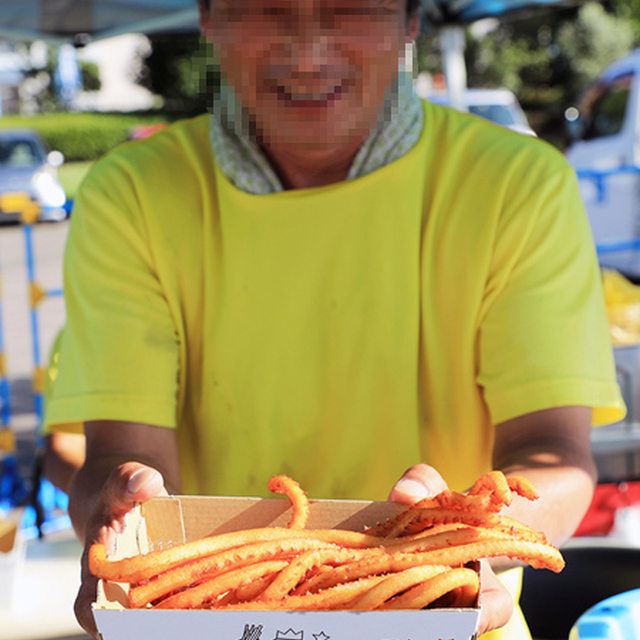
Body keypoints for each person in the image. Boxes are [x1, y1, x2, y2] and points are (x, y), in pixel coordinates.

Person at [44, 0, 625, 638]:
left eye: (350, 6)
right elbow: (119, 458)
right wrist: (119, 515)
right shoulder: (131, 195)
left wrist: (464, 537)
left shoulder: (518, 186)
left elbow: (556, 457)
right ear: (210, 18)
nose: (308, 47)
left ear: (409, 23)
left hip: (451, 620)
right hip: (206, 620)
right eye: (267, 6)